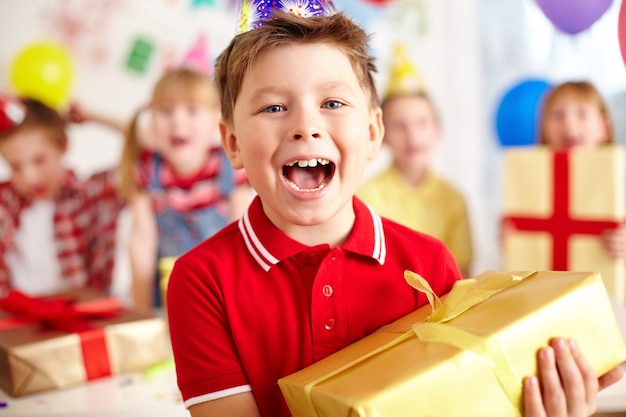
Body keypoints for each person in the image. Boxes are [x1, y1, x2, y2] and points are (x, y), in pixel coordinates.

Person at [166, 9, 624, 417]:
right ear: (232, 144)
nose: (305, 127)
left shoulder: (430, 265)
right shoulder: (200, 281)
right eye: (274, 107)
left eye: (332, 103)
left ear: (371, 132)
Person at [124, 68, 251, 312]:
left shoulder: (229, 165)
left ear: (217, 121)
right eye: (165, 111)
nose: (177, 121)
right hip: (166, 290)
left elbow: (240, 236)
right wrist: (141, 311)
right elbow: (141, 240)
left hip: (219, 287)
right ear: (150, 120)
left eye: (192, 111)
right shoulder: (148, 169)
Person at [0, 97, 123, 297]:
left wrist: (93, 117)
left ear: (63, 145)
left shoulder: (87, 194)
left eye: (39, 160)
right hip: (17, 318)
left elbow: (147, 155)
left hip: (78, 313)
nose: (30, 177)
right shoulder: (5, 200)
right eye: (15, 166)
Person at [357, 91, 474, 277]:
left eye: (422, 123)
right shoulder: (365, 198)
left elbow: (462, 272)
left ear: (437, 129)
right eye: (398, 126)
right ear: (381, 133)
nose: (412, 135)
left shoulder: (454, 199)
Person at [539, 80, 626, 262]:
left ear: (604, 128)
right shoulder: (535, 187)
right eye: (558, 115)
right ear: (544, 130)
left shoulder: (621, 182)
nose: (569, 122)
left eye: (582, 113)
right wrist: (514, 239)